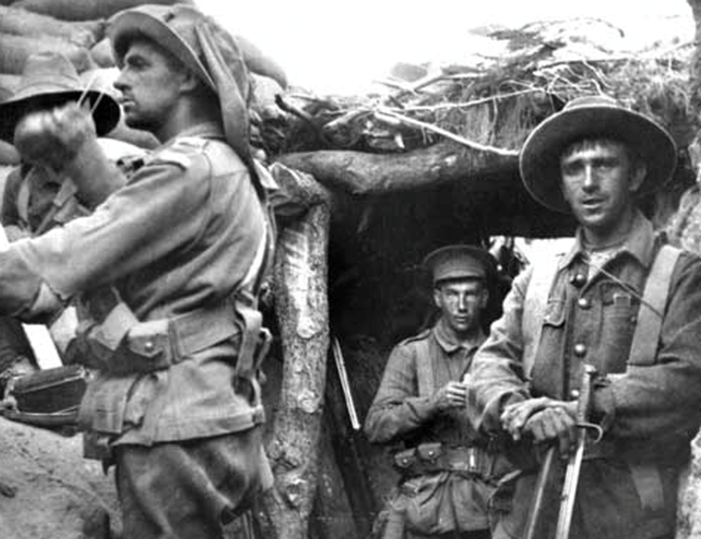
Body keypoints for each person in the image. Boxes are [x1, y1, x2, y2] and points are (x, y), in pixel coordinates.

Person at [0, 4, 284, 538]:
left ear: (186, 75)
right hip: (205, 412)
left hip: (175, 421)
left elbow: (49, 268)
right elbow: (146, 243)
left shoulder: (188, 168)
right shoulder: (219, 165)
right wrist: (82, 160)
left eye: (137, 65)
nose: (119, 78)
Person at [466, 95, 701, 539]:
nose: (589, 182)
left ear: (636, 175)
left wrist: (586, 407)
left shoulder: (681, 275)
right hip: (531, 508)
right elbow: (488, 366)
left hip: (630, 513)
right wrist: (521, 413)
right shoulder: (537, 278)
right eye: (574, 169)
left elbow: (688, 380)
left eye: (604, 164)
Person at [365, 245, 511, 539]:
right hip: (425, 509)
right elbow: (376, 427)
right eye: (451, 294)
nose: (461, 305)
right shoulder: (411, 354)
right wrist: (432, 404)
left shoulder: (503, 354)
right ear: (437, 298)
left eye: (470, 294)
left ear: (483, 298)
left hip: (489, 507)